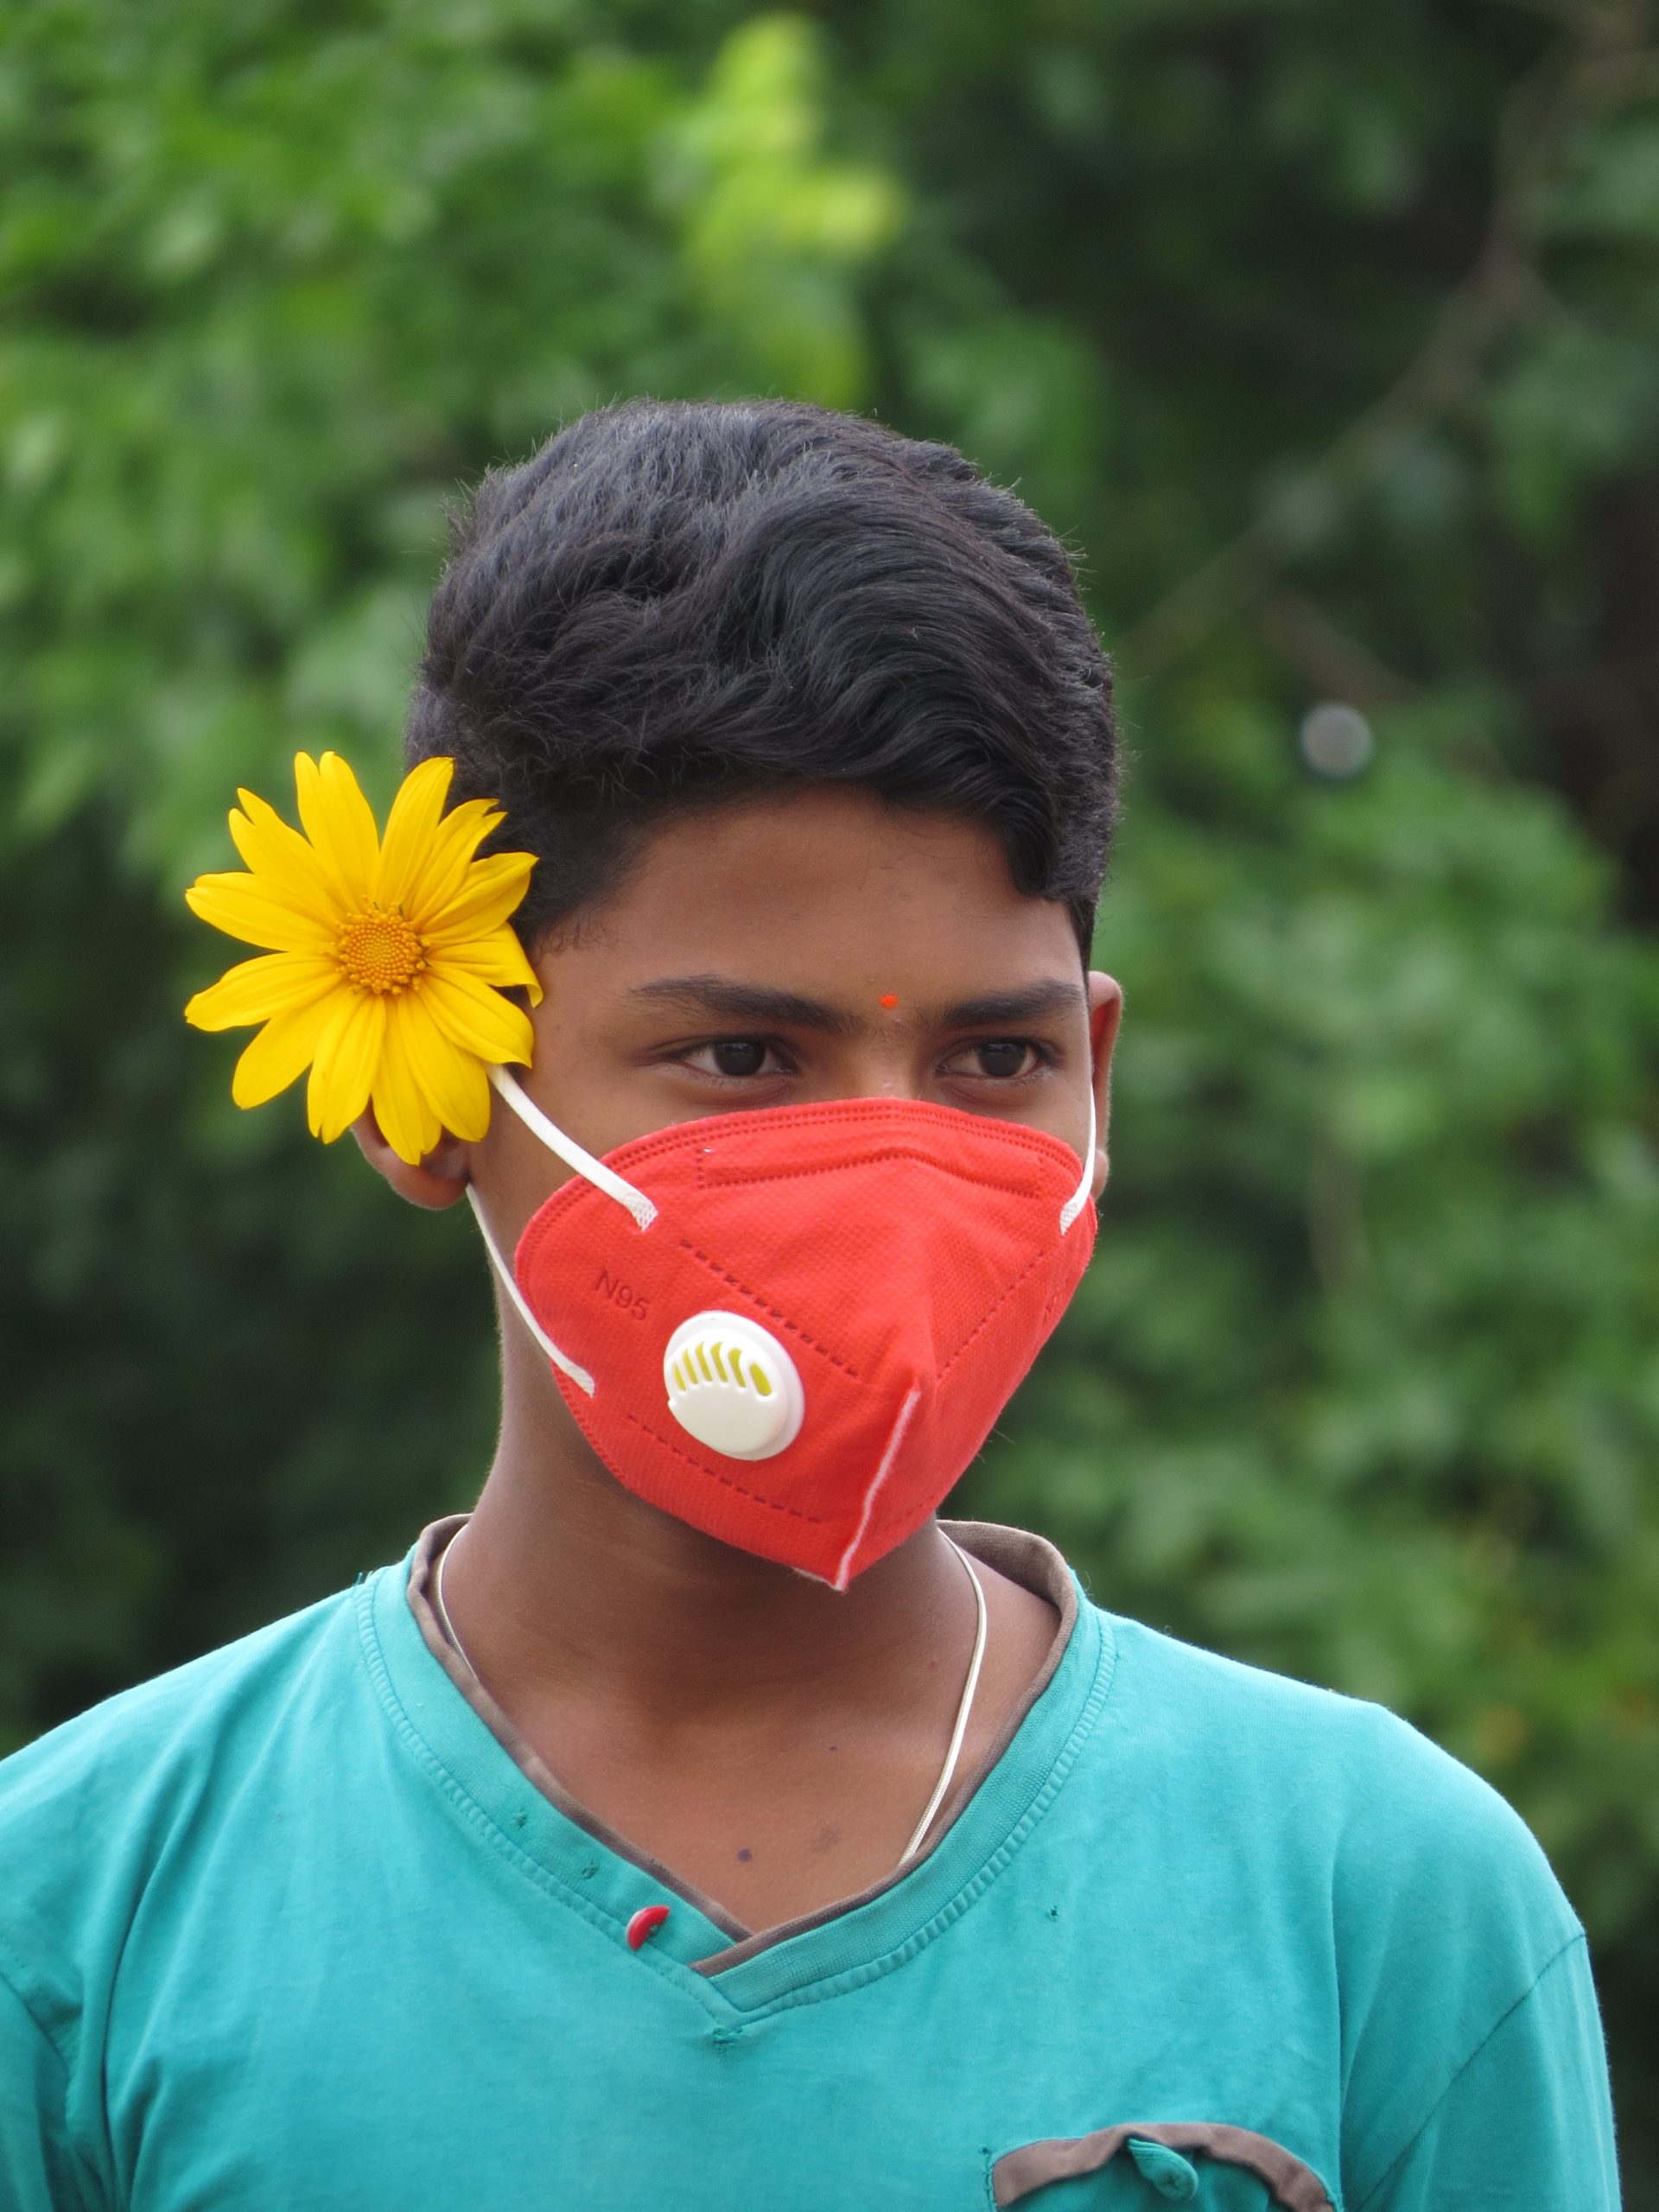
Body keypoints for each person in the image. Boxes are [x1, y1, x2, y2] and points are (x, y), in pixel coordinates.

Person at [0, 401, 1621, 2211]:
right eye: (742, 1054)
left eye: (991, 1053)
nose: (888, 1177)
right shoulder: (77, 1921)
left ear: (1095, 1064)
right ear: (430, 1085)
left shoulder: (1372, 1901)